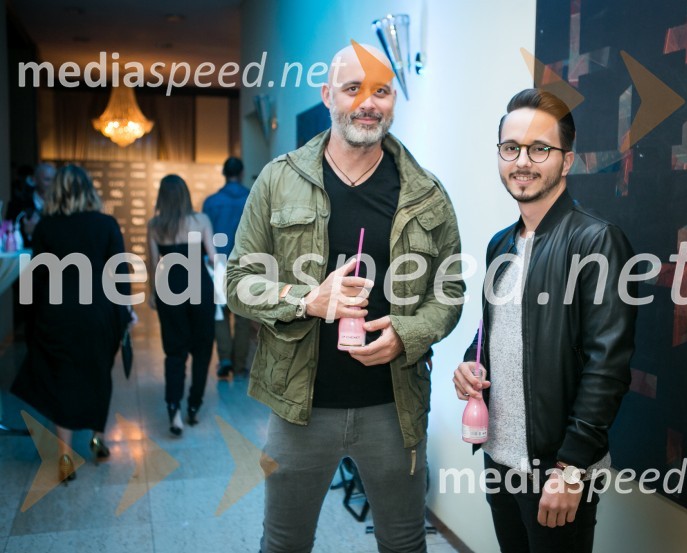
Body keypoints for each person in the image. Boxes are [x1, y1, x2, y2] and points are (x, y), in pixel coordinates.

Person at [226, 43, 465, 553]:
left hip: (393, 406)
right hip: (298, 409)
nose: (367, 102)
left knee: (404, 543)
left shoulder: (425, 191)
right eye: (353, 88)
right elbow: (238, 280)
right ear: (327, 94)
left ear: (395, 100)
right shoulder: (279, 179)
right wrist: (306, 299)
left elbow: (449, 290)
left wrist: (407, 333)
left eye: (381, 90)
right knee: (284, 544)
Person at [452, 89, 637, 553]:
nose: (523, 161)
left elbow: (607, 366)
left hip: (558, 469)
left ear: (567, 160)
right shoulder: (500, 244)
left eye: (540, 149)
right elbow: (496, 331)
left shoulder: (597, 241)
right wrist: (468, 365)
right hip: (499, 457)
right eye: (511, 148)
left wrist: (572, 468)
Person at [12, 164, 133, 482]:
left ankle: (65, 454)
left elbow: (36, 278)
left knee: (62, 375)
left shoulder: (46, 228)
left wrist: (31, 318)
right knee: (98, 372)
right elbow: (119, 274)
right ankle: (97, 438)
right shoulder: (106, 224)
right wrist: (124, 312)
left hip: (57, 312)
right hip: (99, 312)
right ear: (88, 190)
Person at [147, 175, 216, 436]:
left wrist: (152, 294)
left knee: (174, 352)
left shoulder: (155, 225)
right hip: (199, 287)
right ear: (186, 194)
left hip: (169, 288)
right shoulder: (201, 221)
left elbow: (153, 263)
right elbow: (212, 257)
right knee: (202, 349)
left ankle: (173, 410)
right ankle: (194, 406)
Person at [202, 156, 253, 379]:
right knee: (242, 317)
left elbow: (205, 238)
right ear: (241, 173)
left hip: (218, 263)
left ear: (224, 174)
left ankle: (224, 359)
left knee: (220, 313)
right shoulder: (253, 197)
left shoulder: (211, 202)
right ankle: (240, 366)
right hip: (247, 262)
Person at [5, 162, 56, 247]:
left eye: (54, 180)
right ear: (34, 180)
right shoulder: (17, 205)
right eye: (47, 179)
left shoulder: (63, 206)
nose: (52, 184)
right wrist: (28, 234)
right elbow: (8, 236)